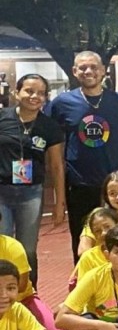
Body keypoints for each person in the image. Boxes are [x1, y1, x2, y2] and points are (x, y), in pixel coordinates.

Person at [47, 51, 118, 261]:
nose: (89, 71)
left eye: (94, 67)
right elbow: (55, 155)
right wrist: (59, 199)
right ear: (74, 71)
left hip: (113, 187)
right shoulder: (61, 103)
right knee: (82, 245)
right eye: (83, 67)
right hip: (79, 187)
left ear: (103, 70)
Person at [0, 74, 65, 281]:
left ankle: (30, 294)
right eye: (29, 91)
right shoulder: (2, 118)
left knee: (27, 250)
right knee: (3, 248)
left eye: (41, 93)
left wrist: (59, 203)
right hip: (1, 193)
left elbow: (56, 166)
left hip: (31, 194)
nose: (34, 96)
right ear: (16, 92)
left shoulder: (49, 126)